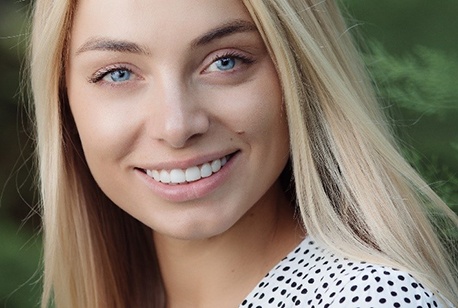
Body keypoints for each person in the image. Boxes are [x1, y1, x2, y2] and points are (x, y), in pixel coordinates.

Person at [29, 0, 458, 307]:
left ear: (300, 75)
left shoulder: (369, 298)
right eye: (118, 73)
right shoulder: (135, 293)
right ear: (64, 102)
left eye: (226, 62)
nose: (177, 126)